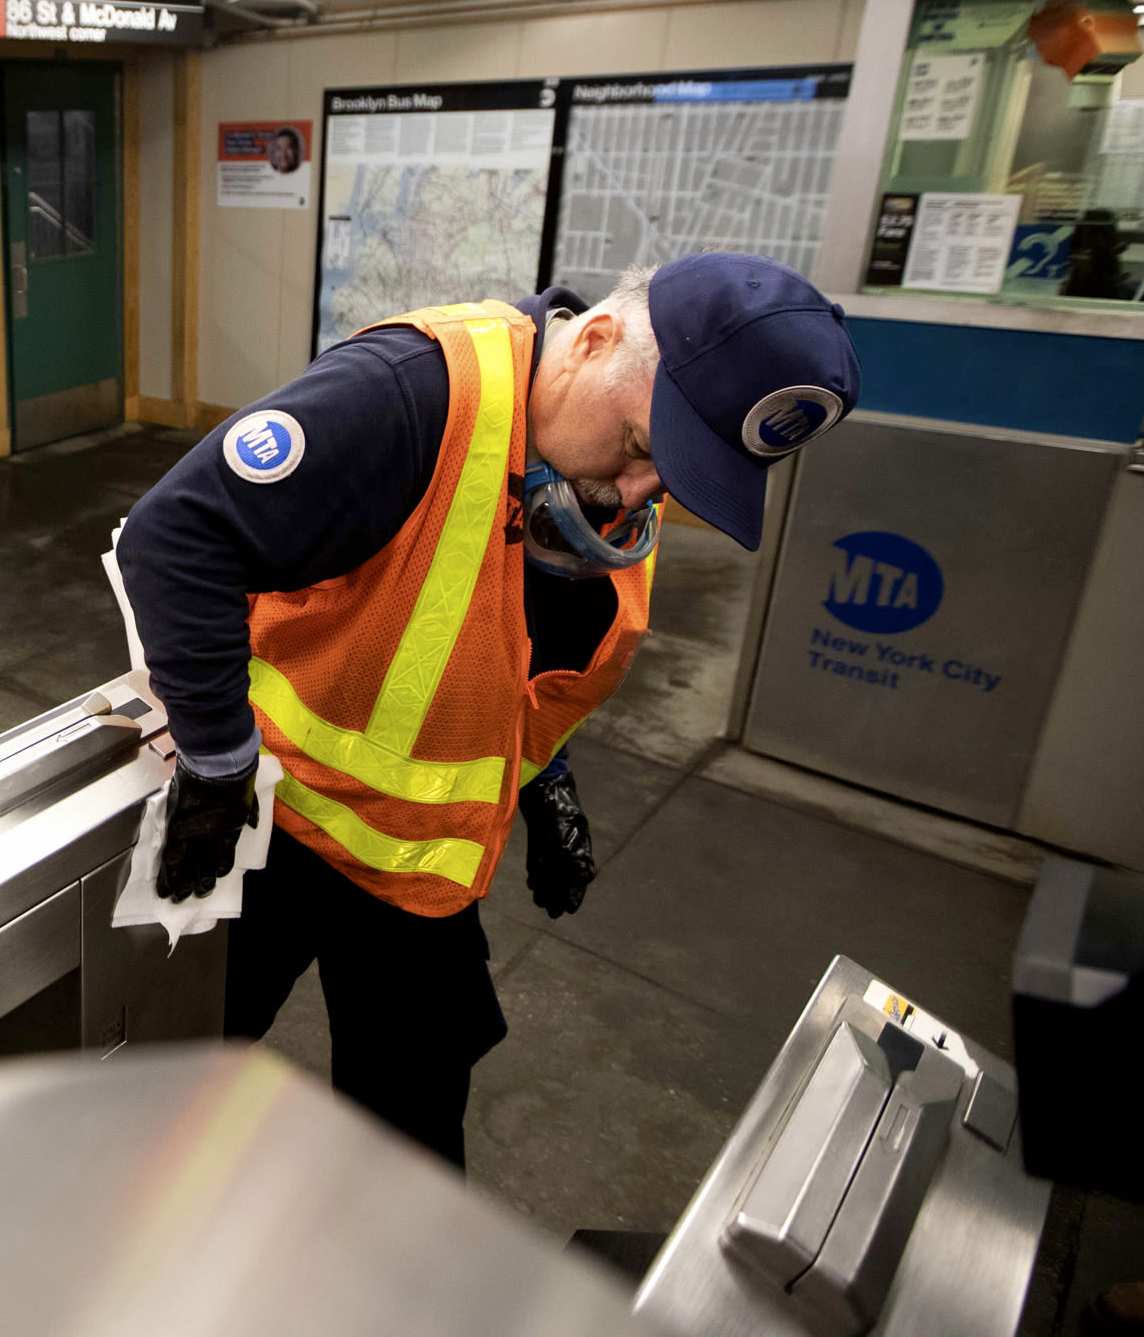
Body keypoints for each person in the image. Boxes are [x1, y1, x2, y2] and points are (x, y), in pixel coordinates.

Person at [115, 254, 862, 1166]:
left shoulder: (614, 492)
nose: (637, 497)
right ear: (592, 340)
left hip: (419, 872)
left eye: (677, 480)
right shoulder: (413, 395)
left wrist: (544, 783)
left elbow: (509, 653)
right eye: (639, 448)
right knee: (160, 1090)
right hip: (270, 824)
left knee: (412, 1147)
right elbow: (176, 537)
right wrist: (218, 762)